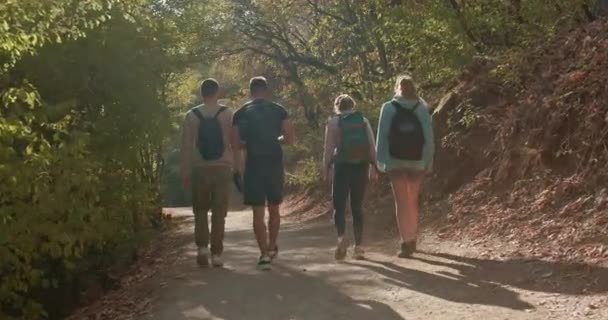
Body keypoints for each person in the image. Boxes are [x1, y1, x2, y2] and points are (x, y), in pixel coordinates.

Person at [232, 76, 295, 270]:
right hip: (274, 164)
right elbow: (290, 138)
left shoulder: (240, 113)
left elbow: (234, 144)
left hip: (254, 166)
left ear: (251, 91)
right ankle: (271, 245)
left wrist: (247, 147)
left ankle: (263, 254)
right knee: (274, 208)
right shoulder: (279, 110)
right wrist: (277, 140)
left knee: (257, 212)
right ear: (266, 91)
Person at [376, 75, 434, 258]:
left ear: (397, 88)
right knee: (413, 201)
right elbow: (429, 139)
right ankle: (413, 237)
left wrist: (380, 162)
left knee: (401, 202)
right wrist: (428, 162)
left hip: (395, 161)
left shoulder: (388, 108)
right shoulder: (422, 109)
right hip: (417, 162)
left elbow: (382, 136)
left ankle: (405, 242)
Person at [180, 78, 234, 268]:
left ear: (201, 93)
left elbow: (186, 146)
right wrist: (238, 167)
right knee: (220, 212)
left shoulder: (191, 115)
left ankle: (202, 248)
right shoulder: (227, 113)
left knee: (200, 210)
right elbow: (234, 142)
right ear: (217, 93)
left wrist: (185, 171)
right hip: (222, 167)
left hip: (199, 168)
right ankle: (216, 254)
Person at [322, 94, 377, 261]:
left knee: (339, 205)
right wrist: (374, 165)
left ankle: (341, 237)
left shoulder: (333, 122)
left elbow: (329, 148)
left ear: (337, 106)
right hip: (360, 166)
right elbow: (371, 144)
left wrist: (325, 167)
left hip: (342, 167)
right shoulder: (363, 120)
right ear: (353, 105)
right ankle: (359, 246)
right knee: (357, 206)